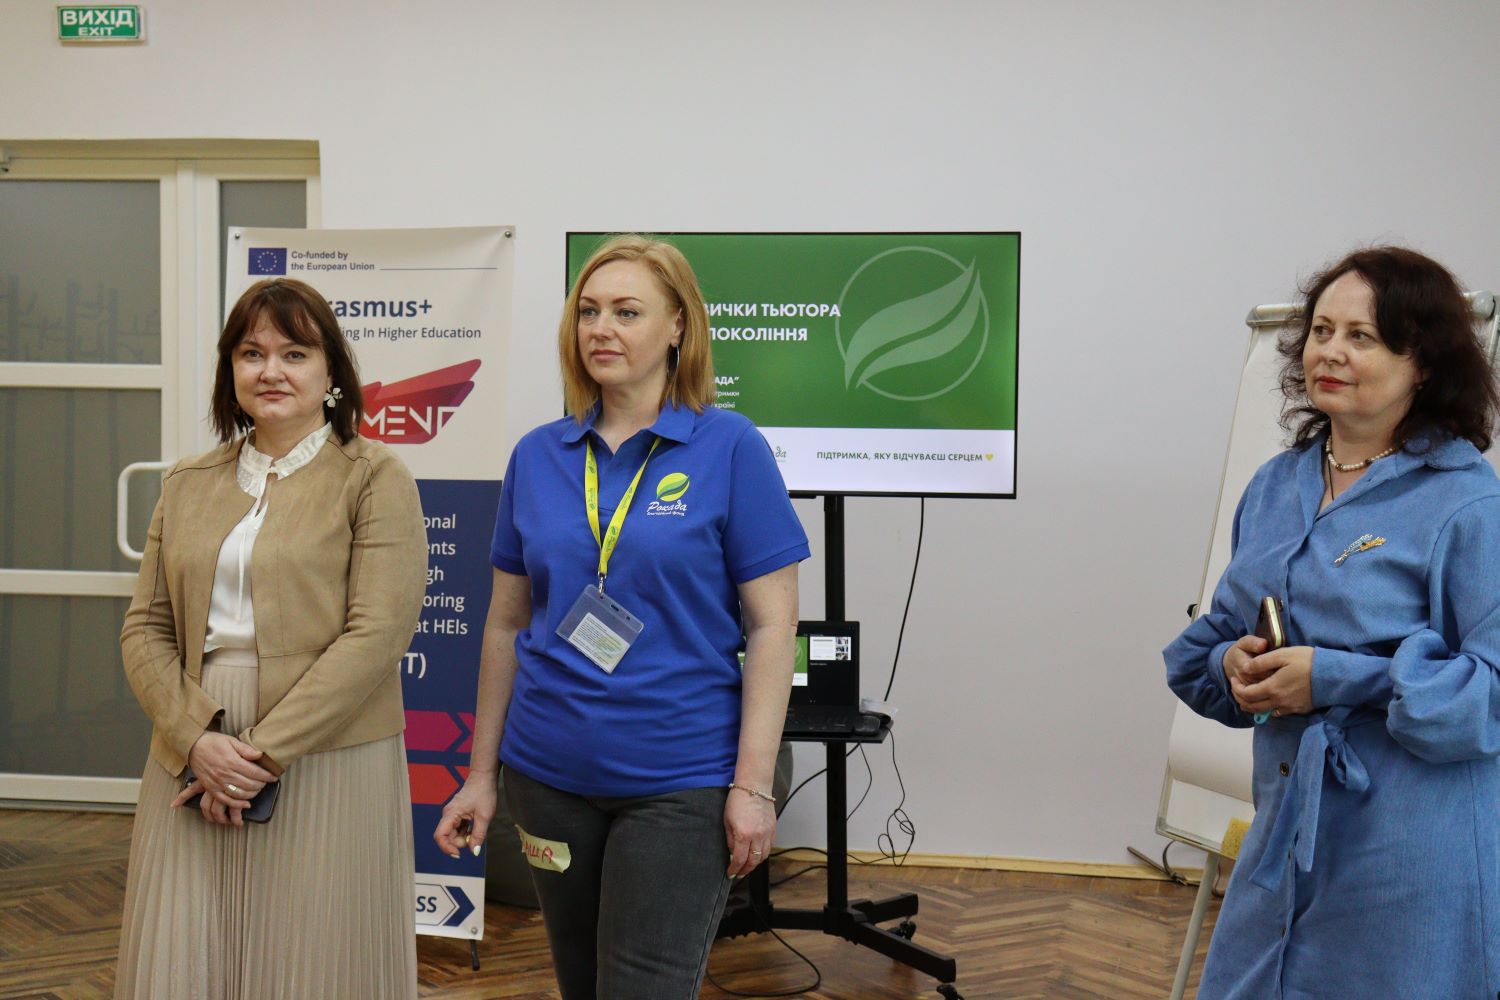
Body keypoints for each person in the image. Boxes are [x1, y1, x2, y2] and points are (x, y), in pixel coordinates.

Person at [435, 234, 807, 998]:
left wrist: (752, 786)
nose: (601, 328)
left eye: (627, 312)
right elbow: (505, 625)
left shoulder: (731, 447)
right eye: (589, 311)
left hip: (680, 780)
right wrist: (480, 774)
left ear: (678, 327)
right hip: (547, 777)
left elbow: (774, 627)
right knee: (582, 984)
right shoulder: (538, 455)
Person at [1165, 246, 1500, 998]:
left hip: (1407, 855)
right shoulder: (1275, 485)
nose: (1331, 352)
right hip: (1284, 835)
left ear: (1423, 363)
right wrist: (1230, 663)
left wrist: (1335, 679)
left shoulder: (1470, 505)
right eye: (1321, 331)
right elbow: (1219, 631)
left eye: (1362, 336)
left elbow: (1491, 692)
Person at [115, 278, 427, 999]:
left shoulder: (374, 476)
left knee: (311, 953)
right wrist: (198, 740)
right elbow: (145, 628)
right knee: (186, 949)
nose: (270, 371)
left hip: (325, 743)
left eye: (294, 353)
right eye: (251, 354)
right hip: (195, 739)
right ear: (230, 370)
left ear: (331, 371)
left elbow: (377, 635)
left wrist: (259, 756)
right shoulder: (187, 481)